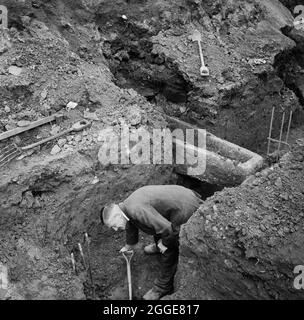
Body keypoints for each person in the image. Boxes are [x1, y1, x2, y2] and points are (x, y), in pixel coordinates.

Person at [100, 184, 203, 300]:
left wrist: (164, 244)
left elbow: (167, 229)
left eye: (113, 225)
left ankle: (162, 287)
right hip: (176, 202)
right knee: (156, 227)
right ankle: (159, 247)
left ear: (118, 215)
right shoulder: (126, 208)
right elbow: (130, 223)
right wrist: (129, 246)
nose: (115, 229)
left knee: (170, 249)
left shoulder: (136, 210)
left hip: (185, 207)